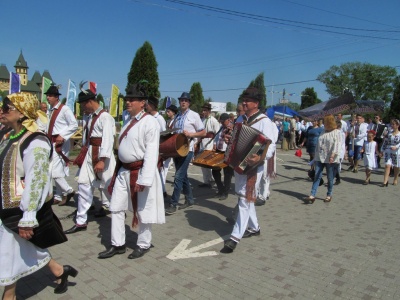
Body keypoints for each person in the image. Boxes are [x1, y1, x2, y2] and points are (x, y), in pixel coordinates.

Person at [0, 92, 78, 298]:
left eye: (7, 107)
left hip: (18, 209)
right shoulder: (8, 135)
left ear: (22, 112)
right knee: (24, 249)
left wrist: (28, 217)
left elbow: (37, 180)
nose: (2, 110)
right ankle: (60, 271)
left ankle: (9, 295)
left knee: (9, 253)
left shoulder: (36, 141)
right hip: (4, 206)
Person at [98, 83, 165, 259]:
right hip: (123, 171)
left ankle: (143, 243)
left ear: (142, 102)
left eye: (132, 99)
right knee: (116, 207)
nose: (128, 102)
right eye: (127, 99)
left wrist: (145, 179)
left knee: (144, 209)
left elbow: (152, 152)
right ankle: (117, 243)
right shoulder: (128, 119)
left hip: (141, 171)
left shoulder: (150, 122)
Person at [220, 87, 276, 253]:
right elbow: (234, 138)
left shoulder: (265, 121)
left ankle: (235, 237)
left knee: (244, 199)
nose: (244, 102)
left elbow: (270, 145)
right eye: (243, 100)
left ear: (256, 103)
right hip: (239, 163)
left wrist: (260, 157)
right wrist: (228, 138)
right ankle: (255, 228)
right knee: (243, 196)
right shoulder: (240, 119)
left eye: (247, 100)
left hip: (254, 165)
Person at [64, 89, 116, 234]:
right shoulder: (89, 117)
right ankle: (81, 221)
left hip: (101, 154)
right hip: (89, 154)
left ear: (89, 102)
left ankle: (118, 209)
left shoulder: (105, 117)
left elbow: (108, 139)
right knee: (83, 184)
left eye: (82, 104)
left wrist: (102, 160)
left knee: (107, 186)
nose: (82, 108)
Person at [165, 92, 206, 215]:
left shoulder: (194, 115)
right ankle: (190, 199)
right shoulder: (177, 116)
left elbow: (203, 132)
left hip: (188, 150)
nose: (183, 102)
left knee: (178, 177)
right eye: (181, 100)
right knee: (183, 177)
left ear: (189, 103)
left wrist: (191, 134)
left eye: (185, 100)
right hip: (177, 150)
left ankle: (173, 203)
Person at [45, 85, 78, 205]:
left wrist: (63, 135)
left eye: (49, 96)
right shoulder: (50, 110)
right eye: (47, 96)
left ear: (56, 97)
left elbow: (73, 125)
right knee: (54, 169)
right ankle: (58, 196)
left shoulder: (65, 109)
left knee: (55, 171)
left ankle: (69, 191)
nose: (47, 98)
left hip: (60, 142)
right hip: (51, 141)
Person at [304, 114, 341, 204]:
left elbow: (337, 145)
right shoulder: (323, 131)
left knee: (330, 177)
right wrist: (315, 157)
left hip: (330, 158)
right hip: (320, 157)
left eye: (326, 122)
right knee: (317, 175)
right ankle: (312, 195)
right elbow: (319, 144)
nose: (324, 123)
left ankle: (329, 194)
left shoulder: (337, 132)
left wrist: (332, 155)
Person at [256, 112, 278, 206]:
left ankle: (264, 195)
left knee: (266, 174)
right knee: (260, 175)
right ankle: (261, 193)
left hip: (268, 151)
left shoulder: (271, 124)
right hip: (259, 151)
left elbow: (274, 139)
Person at [212, 113, 234, 200]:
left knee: (227, 174)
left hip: (227, 153)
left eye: (223, 121)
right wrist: (214, 144)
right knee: (215, 171)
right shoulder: (221, 127)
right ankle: (221, 189)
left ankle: (225, 192)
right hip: (219, 151)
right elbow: (216, 137)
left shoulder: (232, 128)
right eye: (220, 121)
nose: (221, 123)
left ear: (228, 120)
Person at [198, 103, 220, 188]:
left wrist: (215, 144)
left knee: (208, 163)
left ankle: (211, 180)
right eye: (202, 110)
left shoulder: (213, 120)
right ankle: (206, 181)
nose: (203, 112)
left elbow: (217, 133)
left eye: (205, 110)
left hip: (210, 143)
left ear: (209, 111)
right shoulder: (202, 120)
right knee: (202, 163)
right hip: (202, 143)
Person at [380, 119, 400, 187]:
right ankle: (385, 181)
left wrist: (396, 146)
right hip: (388, 151)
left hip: (396, 152)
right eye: (391, 124)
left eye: (393, 124)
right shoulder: (389, 133)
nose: (392, 125)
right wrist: (382, 150)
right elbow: (385, 142)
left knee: (396, 166)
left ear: (397, 125)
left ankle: (395, 178)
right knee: (387, 165)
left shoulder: (399, 134)